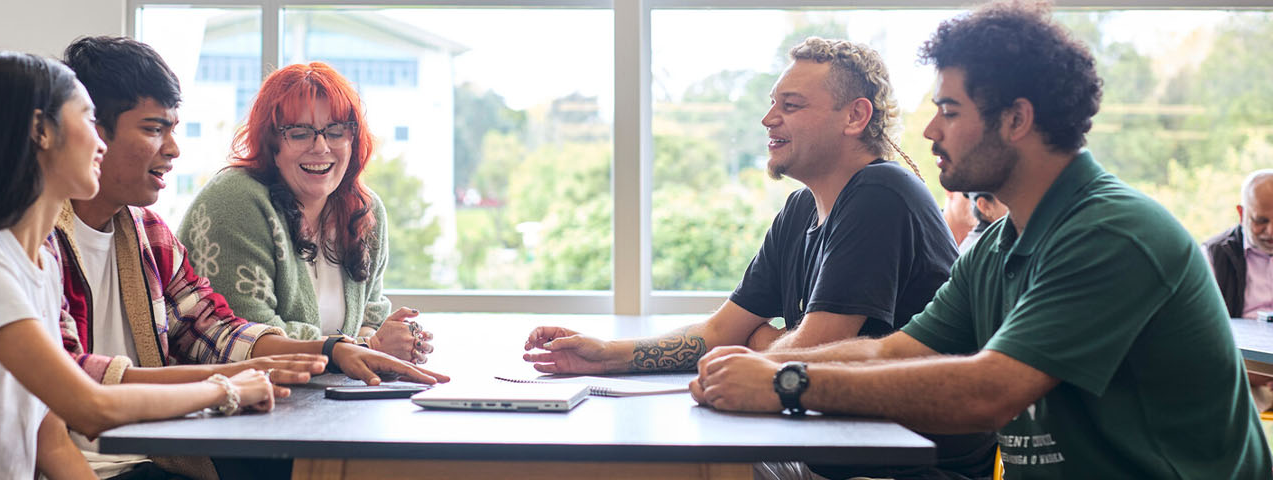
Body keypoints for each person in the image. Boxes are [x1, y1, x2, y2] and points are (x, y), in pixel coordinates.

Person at [691, 3, 1272, 477]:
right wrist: (762, 363)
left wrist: (786, 380)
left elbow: (989, 392)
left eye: (949, 109)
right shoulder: (996, 249)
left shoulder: (1111, 232)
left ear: (1015, 120)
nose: (928, 130)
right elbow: (893, 351)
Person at [524, 38, 992, 479]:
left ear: (855, 117)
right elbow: (722, 332)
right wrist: (604, 356)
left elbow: (810, 353)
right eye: (772, 104)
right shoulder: (801, 209)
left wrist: (765, 345)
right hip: (832, 453)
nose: (768, 119)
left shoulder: (881, 193)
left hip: (899, 469)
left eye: (790, 106)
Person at [0, 52, 282, 480]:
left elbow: (50, 441)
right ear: (40, 132)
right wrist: (224, 388)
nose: (101, 144)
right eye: (89, 121)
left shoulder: (39, 267)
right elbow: (92, 407)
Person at [58, 37, 448, 478]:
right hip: (100, 462)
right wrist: (232, 381)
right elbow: (77, 381)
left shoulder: (148, 232)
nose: (173, 149)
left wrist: (334, 350)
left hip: (154, 453)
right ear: (88, 130)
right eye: (153, 129)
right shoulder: (40, 241)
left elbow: (216, 327)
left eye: (336, 131)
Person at [176, 62, 435, 365]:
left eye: (336, 132)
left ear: (353, 140)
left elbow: (371, 315)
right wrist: (371, 347)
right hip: (236, 402)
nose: (321, 146)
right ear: (271, 144)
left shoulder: (365, 209)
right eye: (299, 134)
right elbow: (250, 340)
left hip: (324, 404)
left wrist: (395, 339)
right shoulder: (235, 199)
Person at [1205, 169, 1273, 320]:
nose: (1271, 231)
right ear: (1242, 214)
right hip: (1237, 342)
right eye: (1261, 220)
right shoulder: (1213, 256)